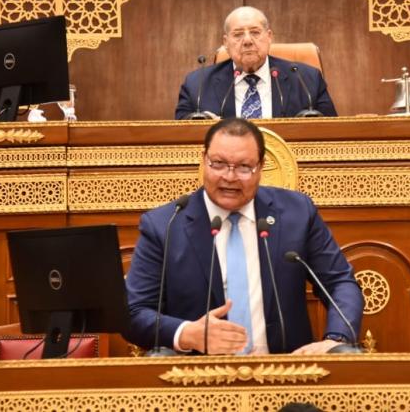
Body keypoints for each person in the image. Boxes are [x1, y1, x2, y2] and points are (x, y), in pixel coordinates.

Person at [124, 118, 363, 354]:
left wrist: (335, 339)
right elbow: (134, 312)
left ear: (260, 166)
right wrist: (186, 334)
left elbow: (340, 283)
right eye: (218, 164)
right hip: (196, 373)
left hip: (287, 370)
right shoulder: (164, 225)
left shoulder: (297, 213)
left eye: (244, 167)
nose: (230, 177)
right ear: (203, 160)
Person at [175, 6, 337, 120]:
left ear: (269, 37)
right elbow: (181, 140)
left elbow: (331, 134)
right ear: (226, 42)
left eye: (255, 32)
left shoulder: (307, 81)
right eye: (238, 34)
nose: (247, 41)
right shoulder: (197, 85)